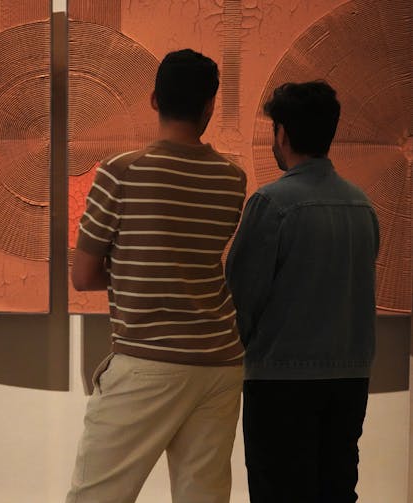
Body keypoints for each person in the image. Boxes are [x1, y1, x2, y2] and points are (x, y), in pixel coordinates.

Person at [66, 49, 247, 503]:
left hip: (148, 359)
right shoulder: (232, 178)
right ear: (209, 106)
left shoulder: (121, 171)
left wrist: (134, 265)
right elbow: (192, 262)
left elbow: (83, 275)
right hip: (220, 362)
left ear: (153, 99)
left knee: (97, 495)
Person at [225, 81, 379, 503]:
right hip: (349, 377)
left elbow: (241, 296)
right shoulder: (362, 206)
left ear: (282, 134)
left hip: (281, 380)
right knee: (337, 490)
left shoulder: (271, 204)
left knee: (280, 491)